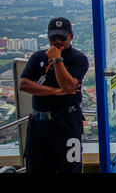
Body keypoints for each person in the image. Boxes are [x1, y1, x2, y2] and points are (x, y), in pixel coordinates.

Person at [19, 17, 89, 173]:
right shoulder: (38, 57)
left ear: (71, 36)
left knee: (71, 168)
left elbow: (68, 85)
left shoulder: (79, 59)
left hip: (68, 123)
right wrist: (55, 91)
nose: (57, 41)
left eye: (62, 37)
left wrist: (57, 59)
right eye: (53, 37)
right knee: (36, 167)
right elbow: (24, 84)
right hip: (38, 123)